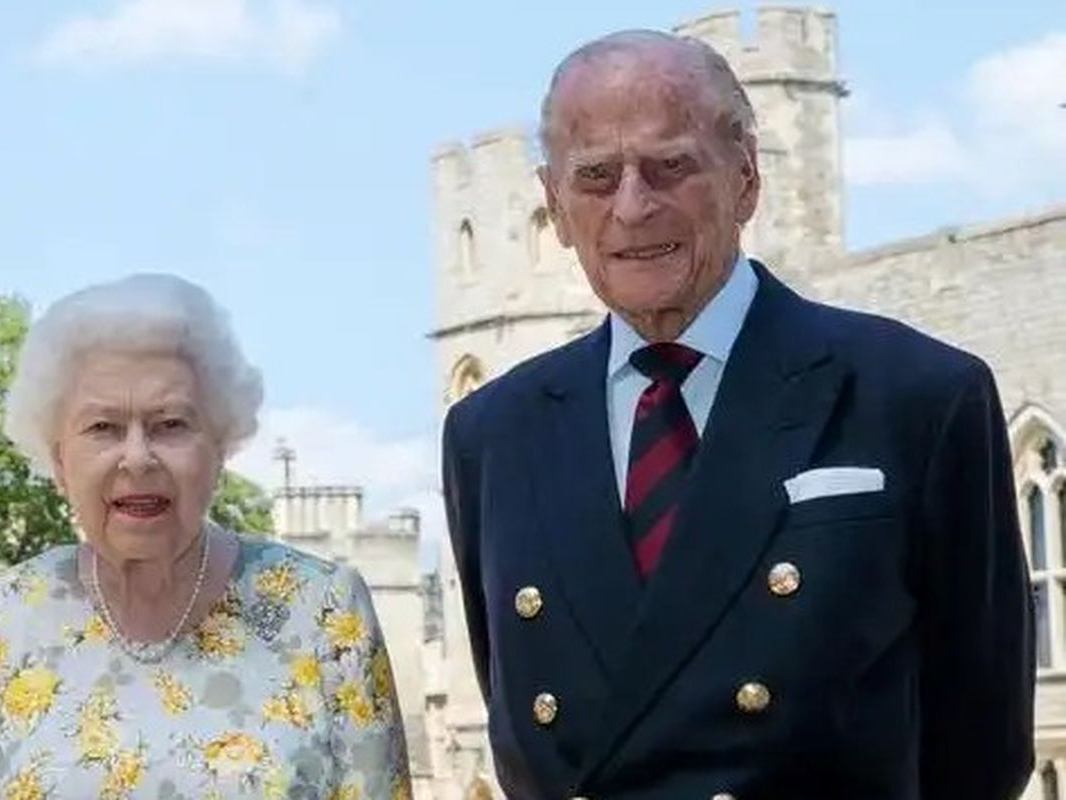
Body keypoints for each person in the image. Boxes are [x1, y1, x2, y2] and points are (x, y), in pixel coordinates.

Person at [441, 30, 1034, 800]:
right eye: (595, 177)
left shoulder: (918, 397)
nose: (632, 206)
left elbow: (981, 750)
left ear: (747, 178)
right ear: (553, 206)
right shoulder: (492, 433)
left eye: (671, 166)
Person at [0, 274, 411, 799]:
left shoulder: (325, 611)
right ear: (59, 459)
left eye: (171, 424)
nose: (137, 457)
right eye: (103, 428)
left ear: (220, 446)